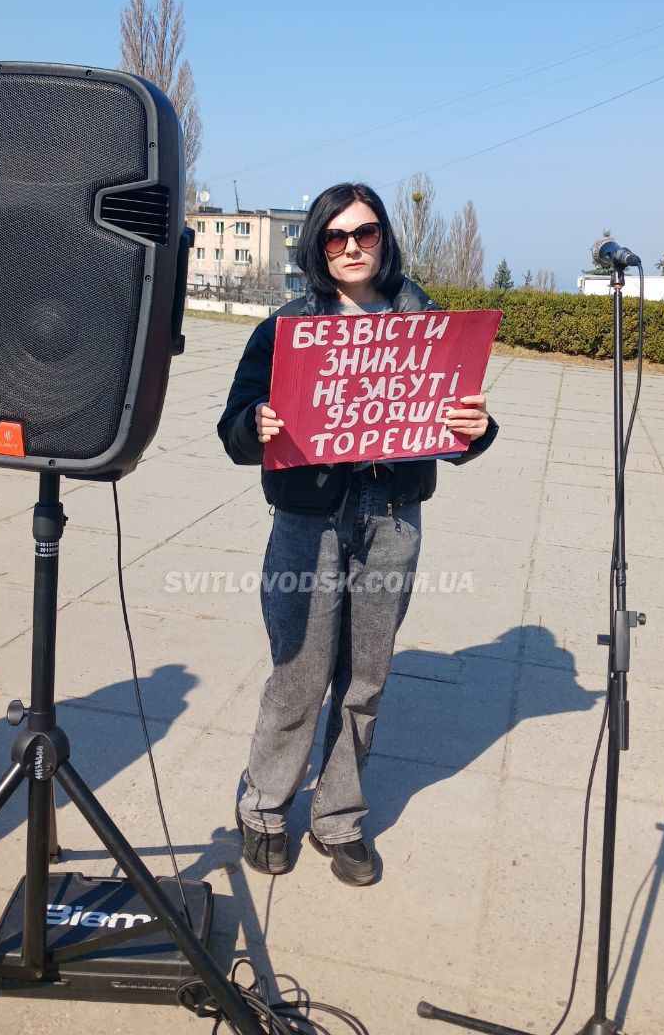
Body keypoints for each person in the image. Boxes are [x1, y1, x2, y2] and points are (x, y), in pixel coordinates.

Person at [217, 183, 498, 886]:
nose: (350, 248)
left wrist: (476, 432)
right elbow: (233, 427)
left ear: (384, 238)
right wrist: (257, 426)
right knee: (300, 671)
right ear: (316, 243)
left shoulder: (423, 317)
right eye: (336, 236)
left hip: (391, 514)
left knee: (364, 678)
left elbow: (457, 425)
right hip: (307, 519)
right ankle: (264, 807)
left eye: (364, 233)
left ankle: (338, 816)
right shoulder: (285, 327)